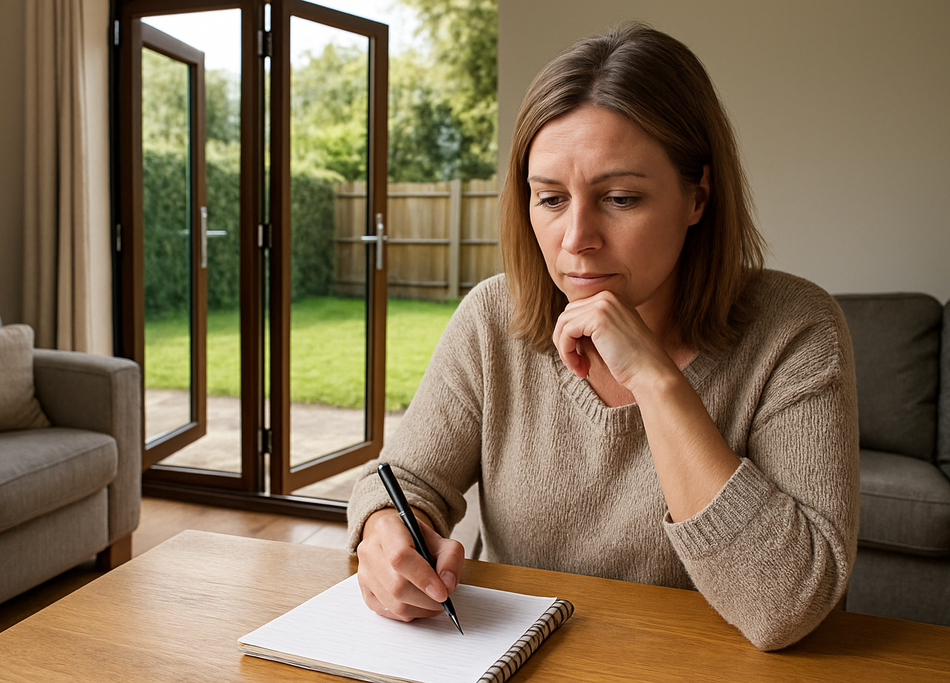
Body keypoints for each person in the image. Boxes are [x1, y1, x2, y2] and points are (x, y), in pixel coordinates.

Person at [346, 22, 859, 652]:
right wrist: (386, 531)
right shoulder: (492, 316)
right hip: (519, 659)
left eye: (619, 198)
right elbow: (404, 482)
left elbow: (788, 604)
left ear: (698, 196)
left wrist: (656, 379)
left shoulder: (795, 328)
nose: (576, 238)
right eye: (551, 199)